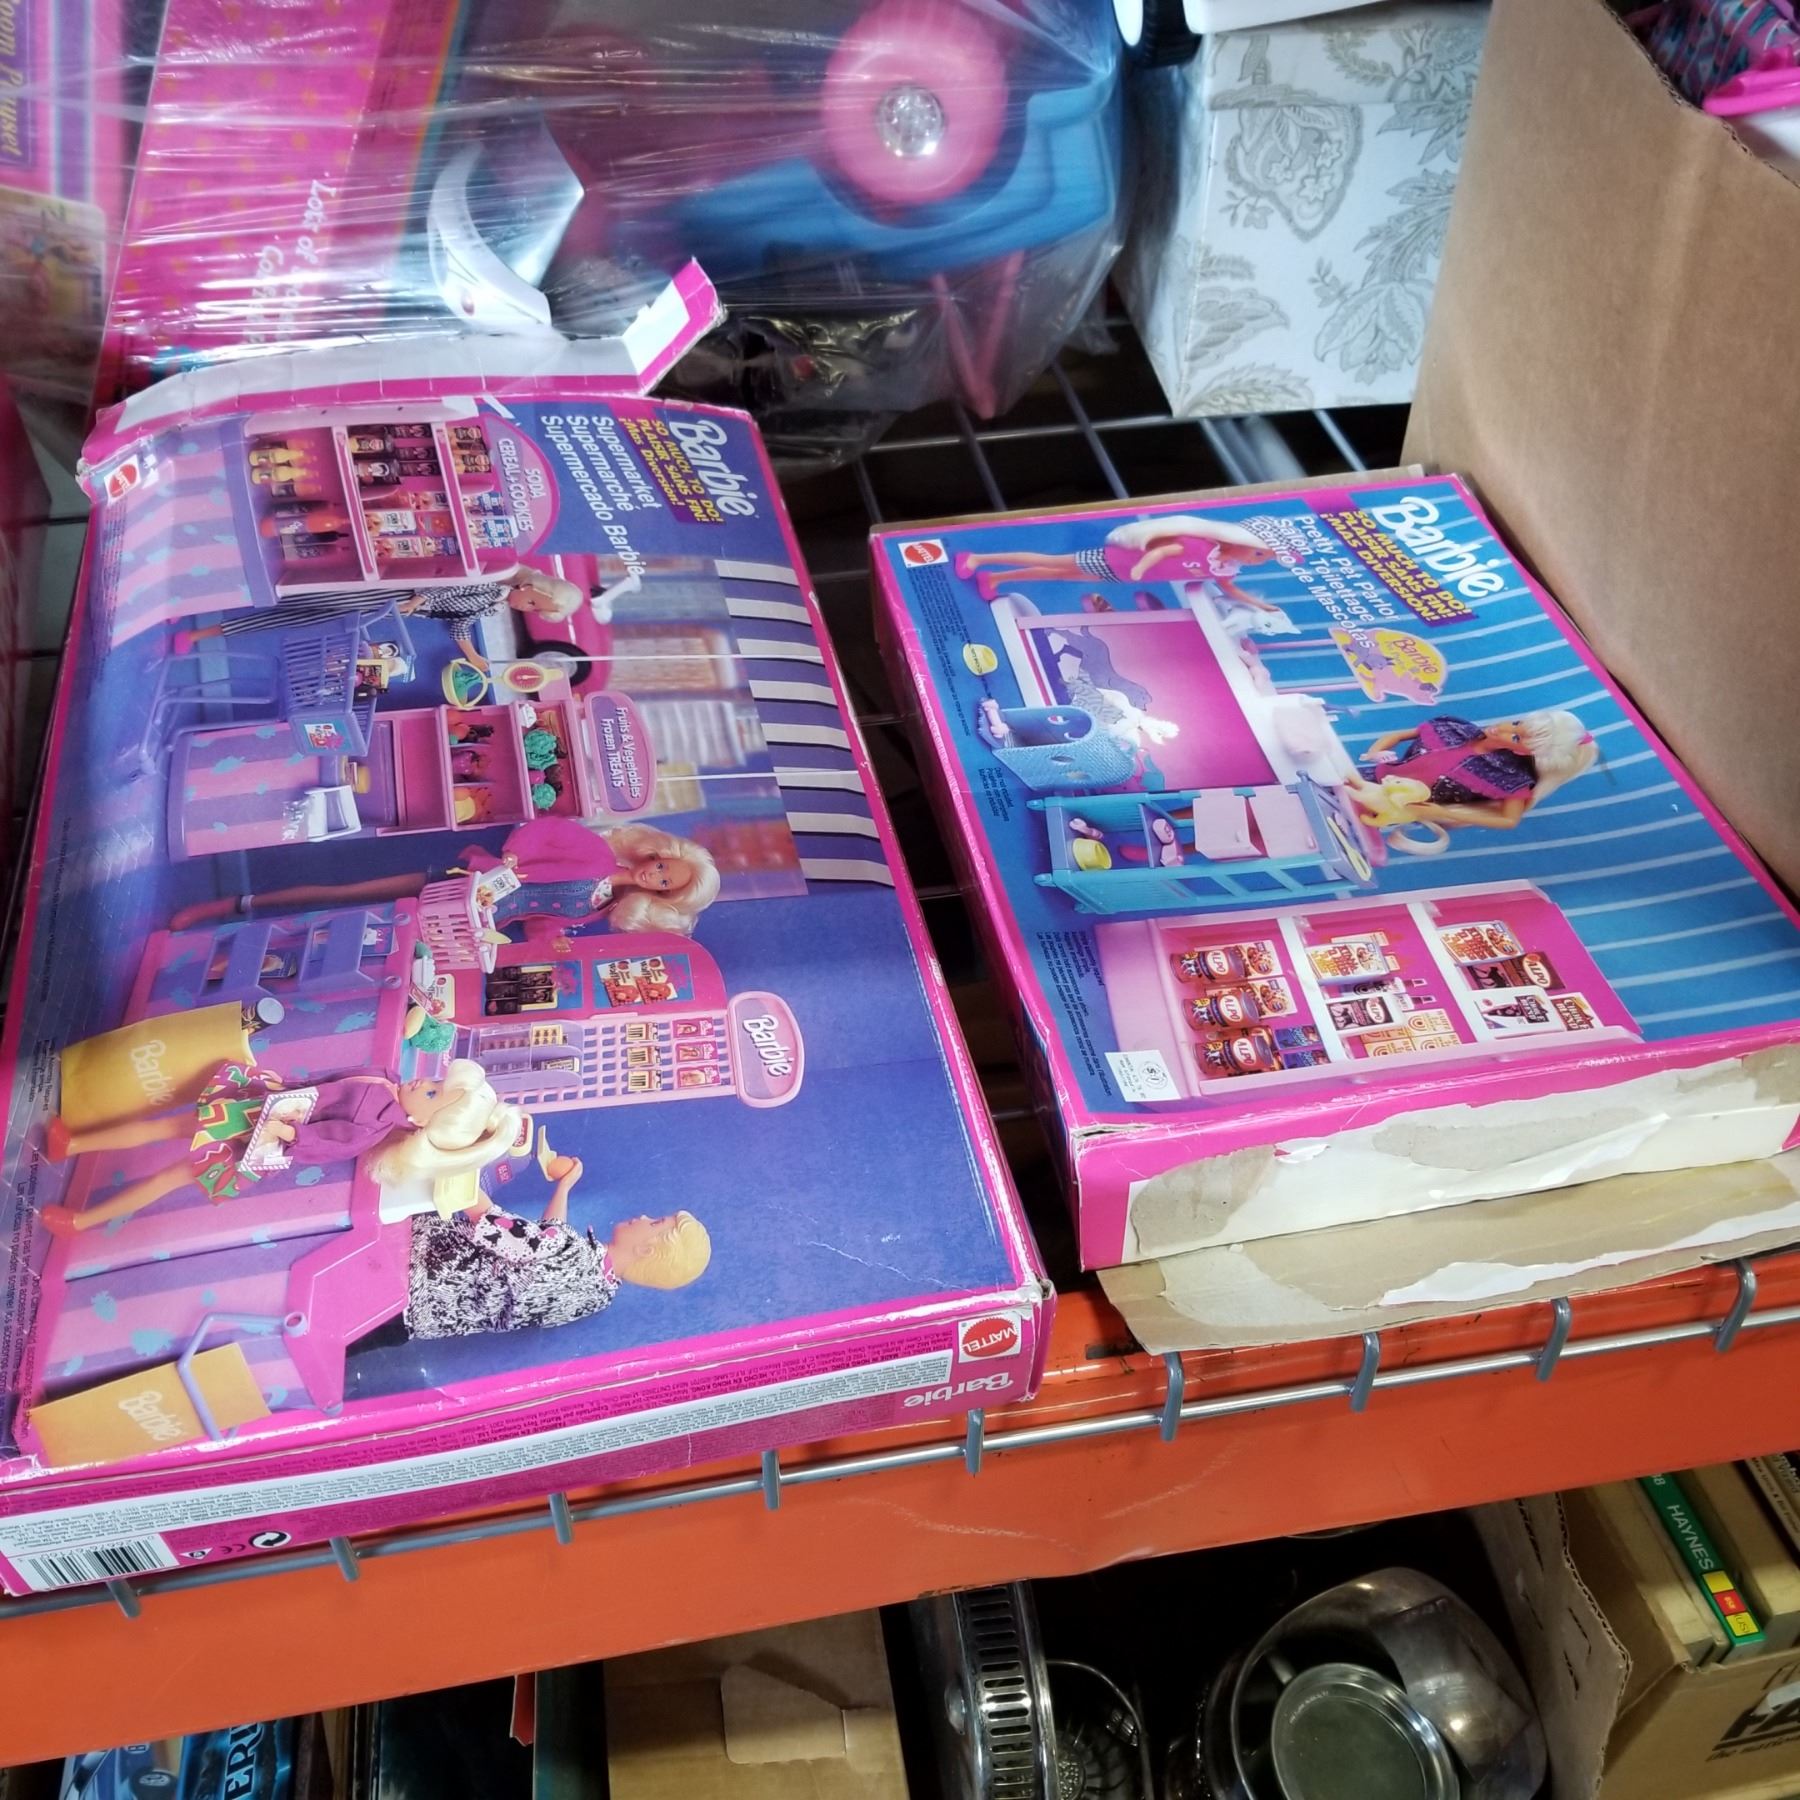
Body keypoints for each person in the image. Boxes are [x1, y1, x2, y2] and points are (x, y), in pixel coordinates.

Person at [40, 1059, 520, 1235]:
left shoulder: (374, 1124)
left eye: (432, 1095)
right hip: (259, 1106)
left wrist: (295, 1136)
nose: (425, 1084)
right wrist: (284, 1086)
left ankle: (81, 1221)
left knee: (172, 1174)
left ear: (420, 1123)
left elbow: (330, 1145)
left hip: (260, 1136)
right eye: (435, 1082)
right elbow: (325, 1084)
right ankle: (74, 1142)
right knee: (168, 1128)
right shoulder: (387, 1080)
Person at [169, 821, 721, 939]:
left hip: (463, 923)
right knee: (344, 893)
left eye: (664, 882)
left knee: (352, 928)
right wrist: (514, 854)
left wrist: (548, 943)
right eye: (663, 865)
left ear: (660, 896)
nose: (656, 873)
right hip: (461, 882)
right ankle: (231, 905)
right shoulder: (597, 851)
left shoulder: (598, 910)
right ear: (658, 852)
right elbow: (546, 831)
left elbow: (537, 921)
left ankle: (230, 941)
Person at [401, 1144, 711, 1338]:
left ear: (646, 1249)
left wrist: (453, 1158)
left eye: (655, 1222)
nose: (644, 1216)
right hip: (413, 1322)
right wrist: (564, 1187)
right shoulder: (598, 1297)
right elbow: (545, 1243)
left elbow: (485, 1217)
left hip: (409, 1266)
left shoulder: (566, 1247)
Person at [174, 566, 591, 671]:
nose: (527, 609)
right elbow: (451, 586)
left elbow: (458, 621)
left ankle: (207, 631)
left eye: (534, 611)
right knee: (302, 597)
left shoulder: (496, 604)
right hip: (395, 595)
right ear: (536, 587)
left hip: (393, 609)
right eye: (534, 603)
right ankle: (202, 602)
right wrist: (421, 598)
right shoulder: (496, 578)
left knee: (299, 617)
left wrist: (472, 656)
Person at [1343, 710, 1597, 855]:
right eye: (1516, 724)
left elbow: (1509, 820)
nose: (1503, 729)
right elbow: (1399, 735)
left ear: (1524, 752)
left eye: (1516, 738)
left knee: (1342, 821)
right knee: (1329, 785)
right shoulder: (1454, 728)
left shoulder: (1508, 778)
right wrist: (1375, 751)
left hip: (1392, 805)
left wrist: (1443, 812)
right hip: (1370, 774)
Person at [954, 516, 1291, 610]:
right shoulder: (1201, 546)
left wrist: (1260, 605)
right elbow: (1163, 552)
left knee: (1056, 573)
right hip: (1119, 561)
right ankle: (978, 558)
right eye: (1260, 553)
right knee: (1052, 562)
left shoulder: (1224, 568)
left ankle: (996, 579)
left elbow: (1230, 589)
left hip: (1121, 575)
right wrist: (1141, 568)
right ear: (1240, 541)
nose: (1259, 561)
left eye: (1265, 558)